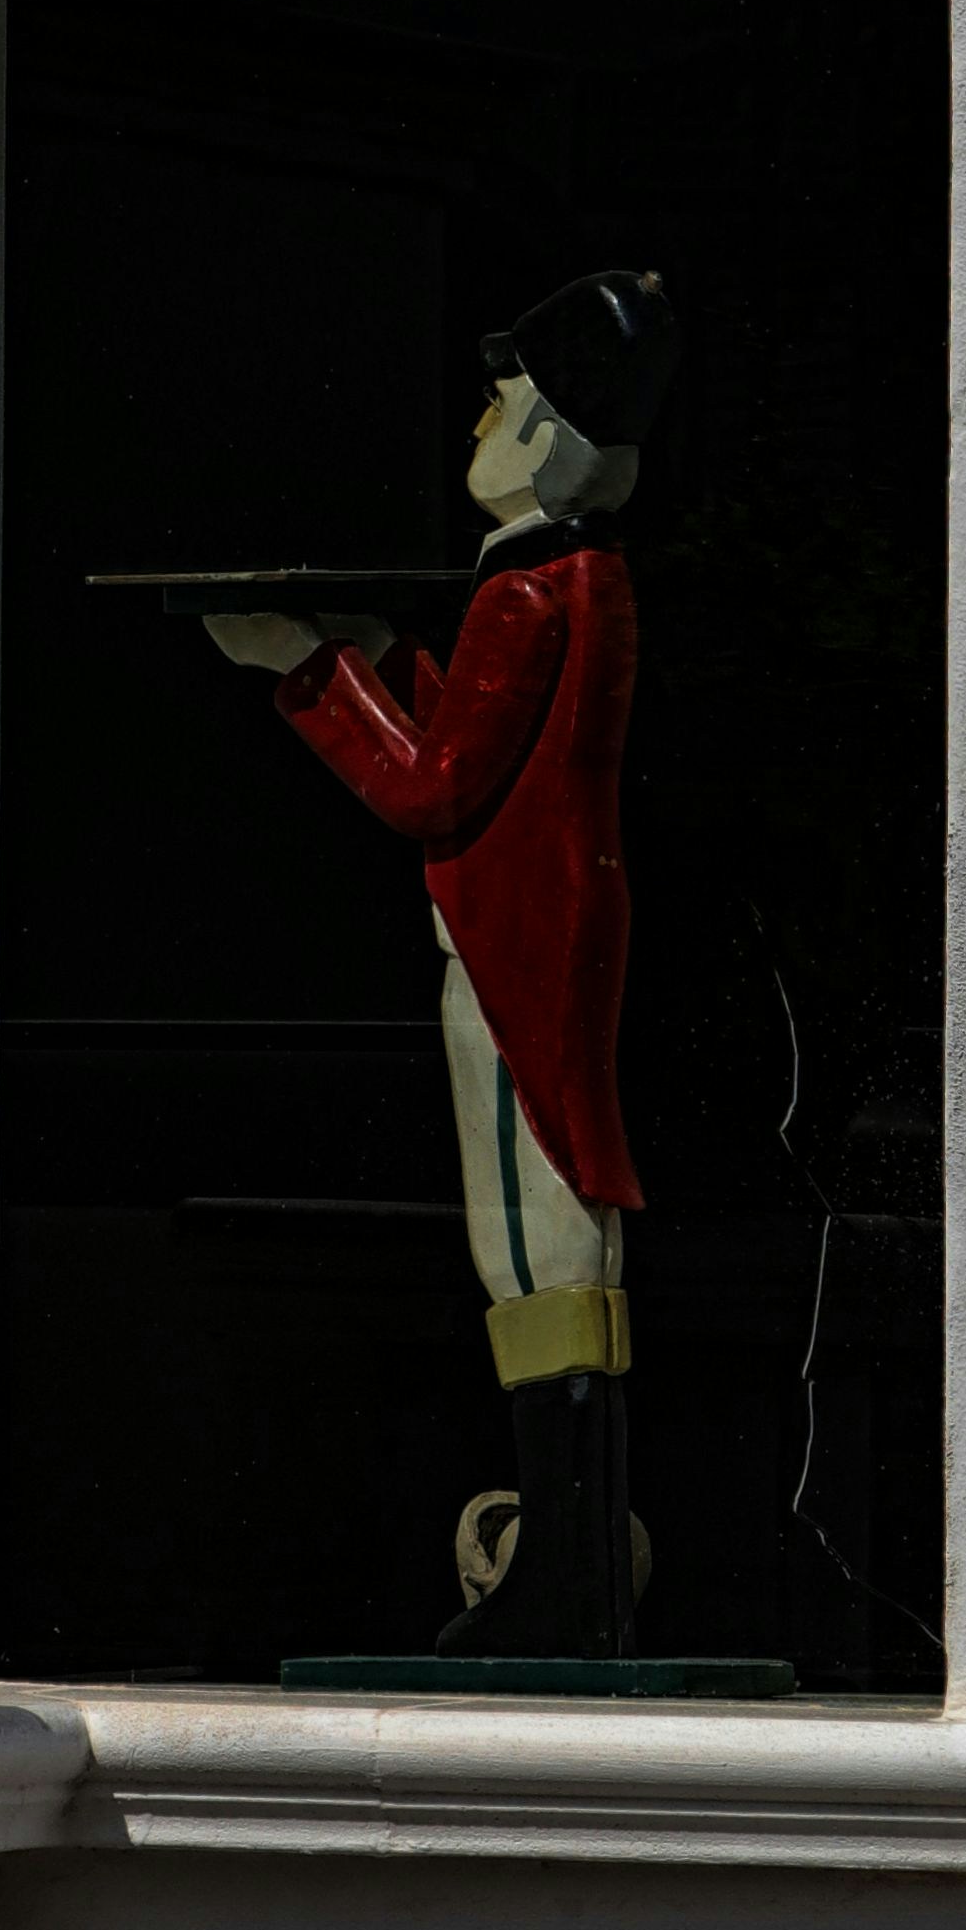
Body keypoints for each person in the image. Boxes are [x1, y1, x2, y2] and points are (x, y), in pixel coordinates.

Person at [205, 268, 678, 1658]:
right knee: (553, 1228)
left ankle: (569, 1558)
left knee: (529, 1239)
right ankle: (573, 1551)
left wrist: (305, 675)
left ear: (543, 433)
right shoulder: (569, 581)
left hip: (507, 933)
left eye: (501, 400)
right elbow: (476, 753)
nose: (480, 422)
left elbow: (431, 794)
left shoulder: (528, 595)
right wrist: (375, 661)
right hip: (548, 914)